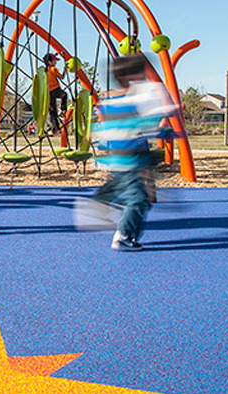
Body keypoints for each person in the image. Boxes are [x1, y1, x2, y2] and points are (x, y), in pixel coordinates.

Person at [78, 54, 176, 251]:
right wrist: (166, 127)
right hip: (131, 158)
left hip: (122, 158)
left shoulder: (116, 102)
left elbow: (108, 129)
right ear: (128, 77)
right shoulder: (135, 101)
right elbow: (145, 124)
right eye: (139, 73)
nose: (143, 77)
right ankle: (123, 236)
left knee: (123, 185)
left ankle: (100, 202)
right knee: (138, 199)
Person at [45, 53, 67, 135]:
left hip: (49, 92)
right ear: (50, 62)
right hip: (56, 89)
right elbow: (62, 77)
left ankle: (56, 129)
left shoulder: (45, 70)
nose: (56, 62)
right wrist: (65, 70)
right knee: (64, 95)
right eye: (54, 61)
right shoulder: (53, 69)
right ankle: (63, 109)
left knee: (52, 111)